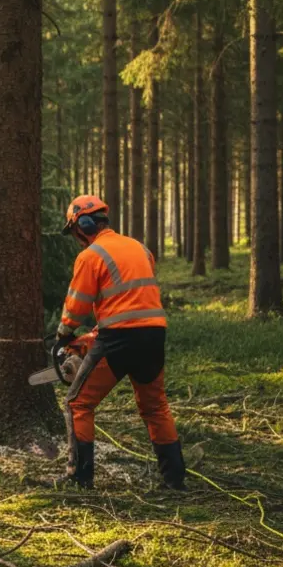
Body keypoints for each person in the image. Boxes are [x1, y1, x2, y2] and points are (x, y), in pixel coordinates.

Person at [54, 195, 187, 490]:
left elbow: (77, 305)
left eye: (75, 230)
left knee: (78, 404)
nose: (76, 237)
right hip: (154, 334)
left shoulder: (91, 255)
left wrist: (64, 334)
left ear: (83, 224)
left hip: (119, 339)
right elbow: (132, 296)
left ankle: (80, 477)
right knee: (155, 408)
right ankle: (174, 479)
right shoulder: (141, 248)